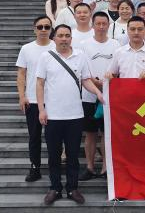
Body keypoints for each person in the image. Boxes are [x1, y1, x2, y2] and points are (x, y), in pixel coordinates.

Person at [36, 24, 104, 205]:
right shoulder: (46, 57)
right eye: (60, 35)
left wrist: (97, 93)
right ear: (54, 38)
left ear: (71, 38)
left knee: (73, 155)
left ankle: (73, 188)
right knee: (54, 155)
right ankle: (55, 188)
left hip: (74, 115)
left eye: (67, 35)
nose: (64, 39)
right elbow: (40, 83)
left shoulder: (80, 56)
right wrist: (41, 109)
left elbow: (86, 80)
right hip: (53, 116)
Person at [78, 12, 120, 181]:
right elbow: (80, 68)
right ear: (93, 25)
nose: (101, 27)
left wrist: (109, 81)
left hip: (110, 95)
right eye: (98, 24)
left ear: (109, 25)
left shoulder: (116, 44)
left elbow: (119, 68)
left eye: (104, 24)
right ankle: (89, 166)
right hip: (89, 95)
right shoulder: (83, 45)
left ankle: (105, 168)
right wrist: (94, 82)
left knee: (106, 133)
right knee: (90, 133)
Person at [16, 16, 56, 182]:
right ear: (34, 29)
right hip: (32, 100)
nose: (43, 30)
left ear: (51, 29)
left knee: (54, 137)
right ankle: (35, 168)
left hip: (54, 100)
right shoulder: (26, 49)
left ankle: (55, 167)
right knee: (34, 136)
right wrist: (22, 96)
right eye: (40, 27)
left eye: (47, 27)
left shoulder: (57, 46)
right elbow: (21, 74)